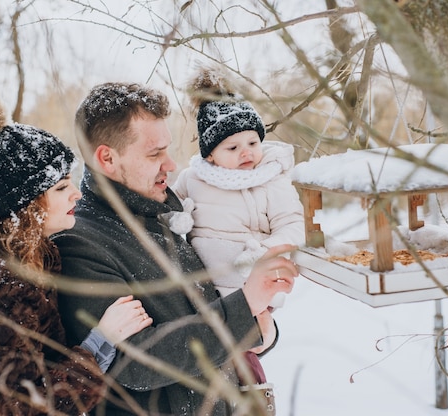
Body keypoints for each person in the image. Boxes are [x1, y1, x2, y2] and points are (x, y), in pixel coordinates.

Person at [52, 81, 298, 416]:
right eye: (155, 154)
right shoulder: (80, 243)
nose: (170, 164)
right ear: (107, 158)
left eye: (167, 149)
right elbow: (135, 363)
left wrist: (258, 323)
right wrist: (246, 306)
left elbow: (209, 314)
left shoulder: (163, 216)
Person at [0, 90, 152, 416]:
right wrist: (101, 342)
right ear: (25, 204)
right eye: (61, 187)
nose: (77, 195)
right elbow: (21, 406)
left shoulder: (31, 257)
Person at [171, 69, 306, 391]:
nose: (246, 152)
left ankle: (253, 395)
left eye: (252, 142)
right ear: (211, 155)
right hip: (203, 287)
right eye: (232, 148)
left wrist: (267, 251)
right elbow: (170, 205)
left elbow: (292, 223)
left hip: (251, 282)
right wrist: (179, 220)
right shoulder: (193, 178)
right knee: (215, 351)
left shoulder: (271, 179)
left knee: (246, 350)